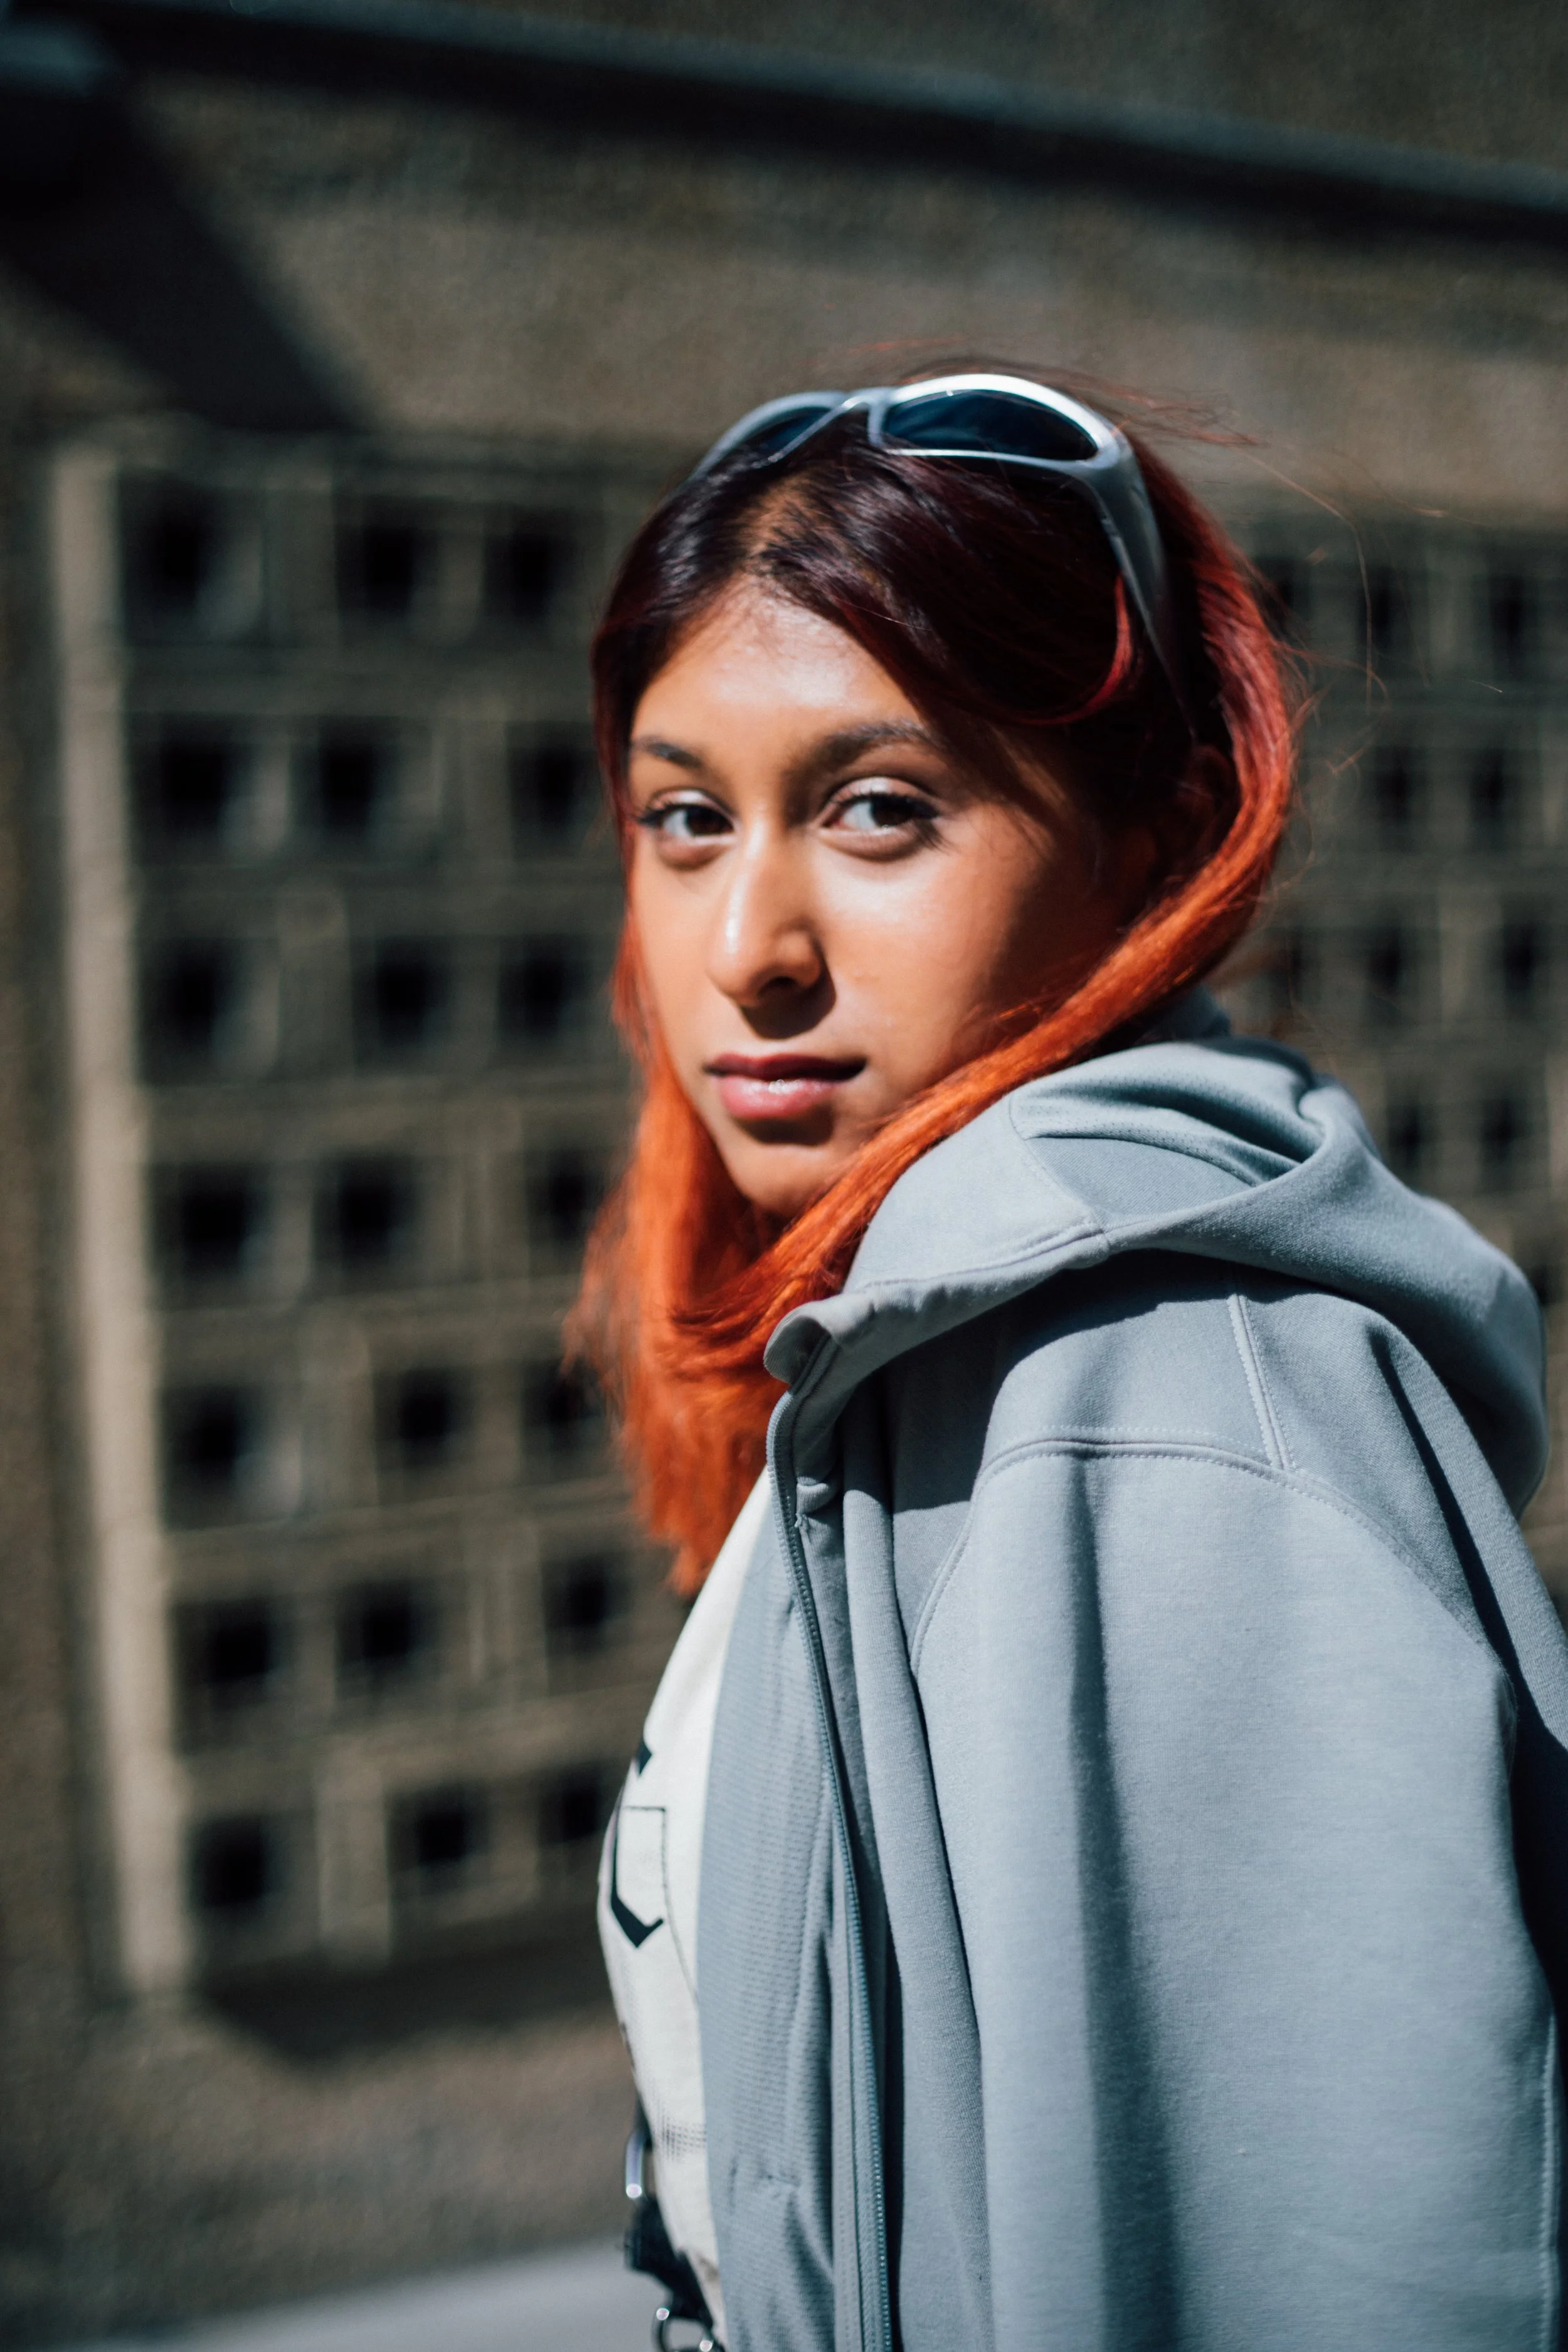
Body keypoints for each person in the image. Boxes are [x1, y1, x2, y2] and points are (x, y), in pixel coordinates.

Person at [585, 372, 1568, 2352]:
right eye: (686, 818)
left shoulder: (1146, 1382)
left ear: (1158, 832)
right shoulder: (918, 1339)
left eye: (879, 808)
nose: (747, 942)